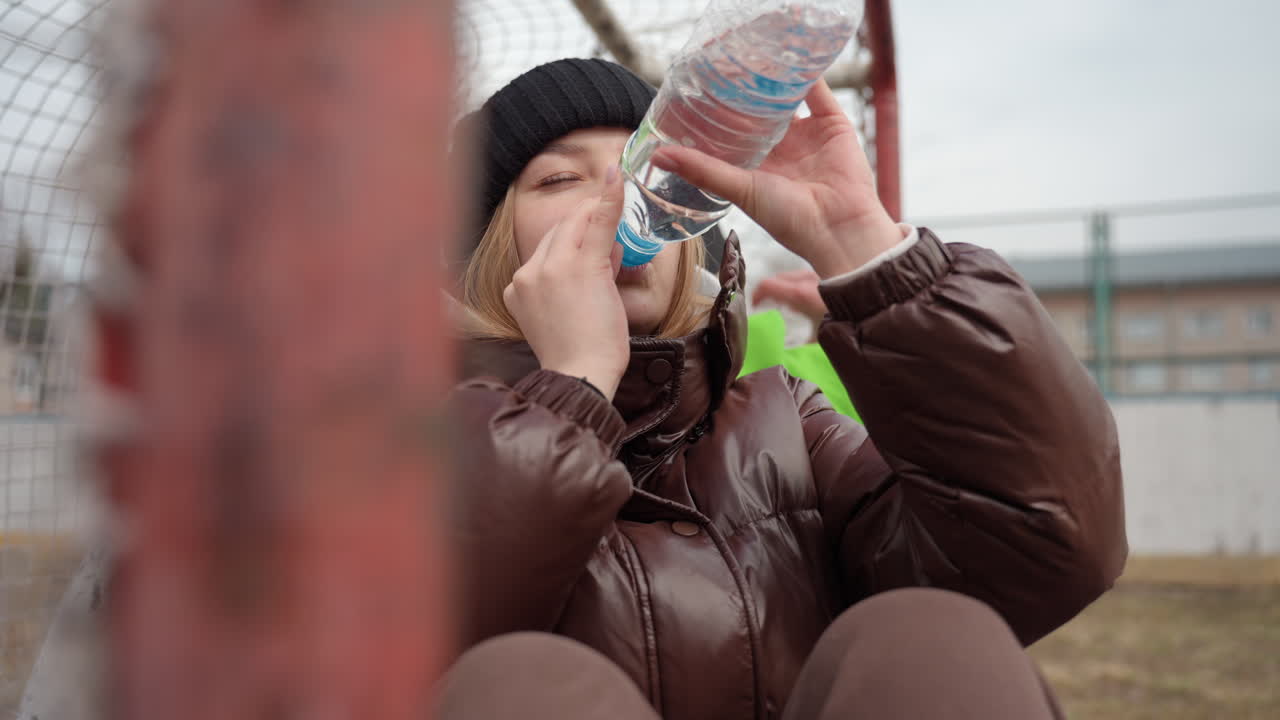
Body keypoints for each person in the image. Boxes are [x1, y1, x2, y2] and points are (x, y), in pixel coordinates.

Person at [442, 58, 1126, 720]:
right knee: (518, 685)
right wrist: (574, 385)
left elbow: (1043, 551)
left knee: (932, 637)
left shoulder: (789, 422)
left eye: (643, 171)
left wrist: (866, 249)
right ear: (486, 248)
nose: (616, 199)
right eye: (561, 178)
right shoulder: (403, 438)